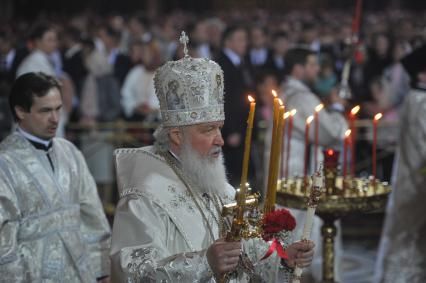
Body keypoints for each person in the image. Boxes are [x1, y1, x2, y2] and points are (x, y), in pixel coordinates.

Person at [110, 34, 315, 282]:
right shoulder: (144, 195)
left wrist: (282, 257)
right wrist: (204, 263)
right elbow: (131, 272)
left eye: (219, 128)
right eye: (208, 130)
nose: (220, 139)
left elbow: (246, 251)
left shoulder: (213, 181)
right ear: (176, 135)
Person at [0, 72, 111, 282]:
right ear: (21, 111)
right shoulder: (5, 164)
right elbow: (3, 240)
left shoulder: (70, 152)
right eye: (45, 111)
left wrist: (102, 270)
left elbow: (92, 214)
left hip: (81, 272)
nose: (55, 119)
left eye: (58, 109)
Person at [274, 47, 348, 281]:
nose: (317, 70)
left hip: (288, 175)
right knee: (307, 237)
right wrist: (337, 107)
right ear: (298, 69)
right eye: (312, 65)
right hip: (302, 179)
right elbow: (331, 132)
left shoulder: (285, 92)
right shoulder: (303, 98)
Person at [374, 45, 426, 283]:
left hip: (410, 178)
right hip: (417, 184)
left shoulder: (415, 97)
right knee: (411, 240)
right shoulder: (421, 102)